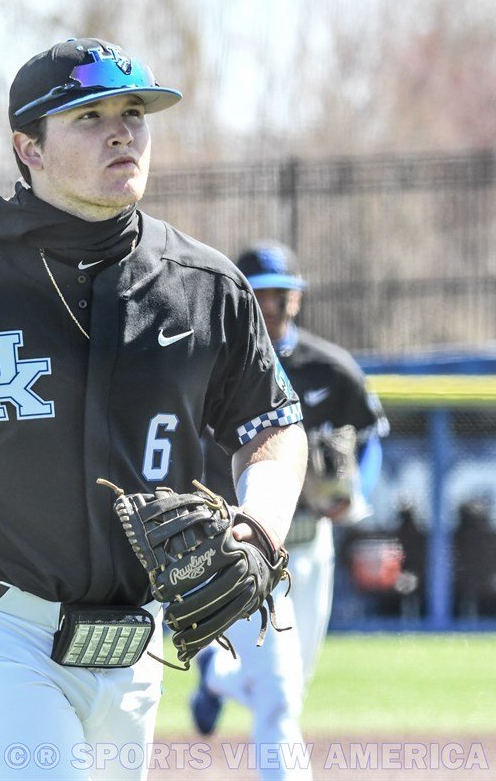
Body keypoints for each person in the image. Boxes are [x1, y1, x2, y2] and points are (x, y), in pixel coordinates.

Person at [0, 39, 307, 781]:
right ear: (30, 148)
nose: (122, 133)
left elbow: (271, 425)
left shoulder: (205, 287)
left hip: (135, 649)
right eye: (89, 117)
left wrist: (262, 526)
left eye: (134, 113)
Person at [190, 241, 387, 781]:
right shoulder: (211, 364)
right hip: (242, 549)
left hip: (309, 544)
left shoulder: (329, 368)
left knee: (292, 686)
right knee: (278, 697)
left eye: (282, 294)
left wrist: (356, 494)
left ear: (298, 299)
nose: (272, 306)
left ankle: (217, 676)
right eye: (261, 295)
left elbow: (371, 436)